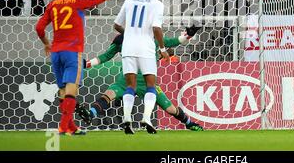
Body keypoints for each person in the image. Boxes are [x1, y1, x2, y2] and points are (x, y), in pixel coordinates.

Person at [75, 27, 204, 131]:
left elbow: (173, 41)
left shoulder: (152, 38)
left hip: (147, 82)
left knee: (170, 109)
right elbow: (106, 56)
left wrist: (188, 35)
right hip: (125, 80)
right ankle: (90, 114)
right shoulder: (122, 39)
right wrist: (87, 64)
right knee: (108, 95)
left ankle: (189, 123)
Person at [35, 0, 111, 135]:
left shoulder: (53, 4)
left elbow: (39, 28)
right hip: (72, 52)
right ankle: (63, 125)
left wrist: (46, 43)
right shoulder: (79, 2)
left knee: (63, 90)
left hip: (55, 53)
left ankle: (70, 126)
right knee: (72, 89)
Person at [114, 0, 168, 135]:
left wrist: (129, 33)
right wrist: (163, 48)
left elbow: (116, 25)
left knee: (130, 85)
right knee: (150, 85)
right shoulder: (158, 4)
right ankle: (146, 118)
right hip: (146, 48)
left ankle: (127, 119)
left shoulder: (129, 1)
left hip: (129, 47)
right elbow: (157, 28)